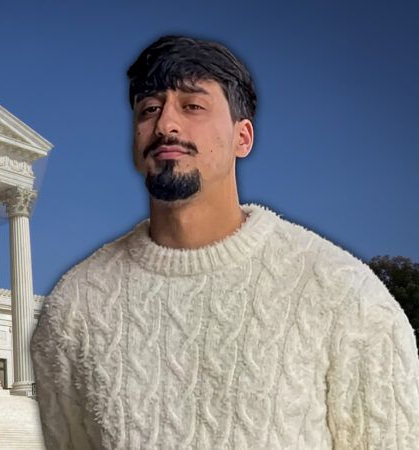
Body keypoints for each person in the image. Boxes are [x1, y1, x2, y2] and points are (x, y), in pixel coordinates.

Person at [30, 35, 419, 449]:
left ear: (243, 137)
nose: (166, 125)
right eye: (149, 109)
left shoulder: (347, 297)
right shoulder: (73, 309)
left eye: (192, 106)